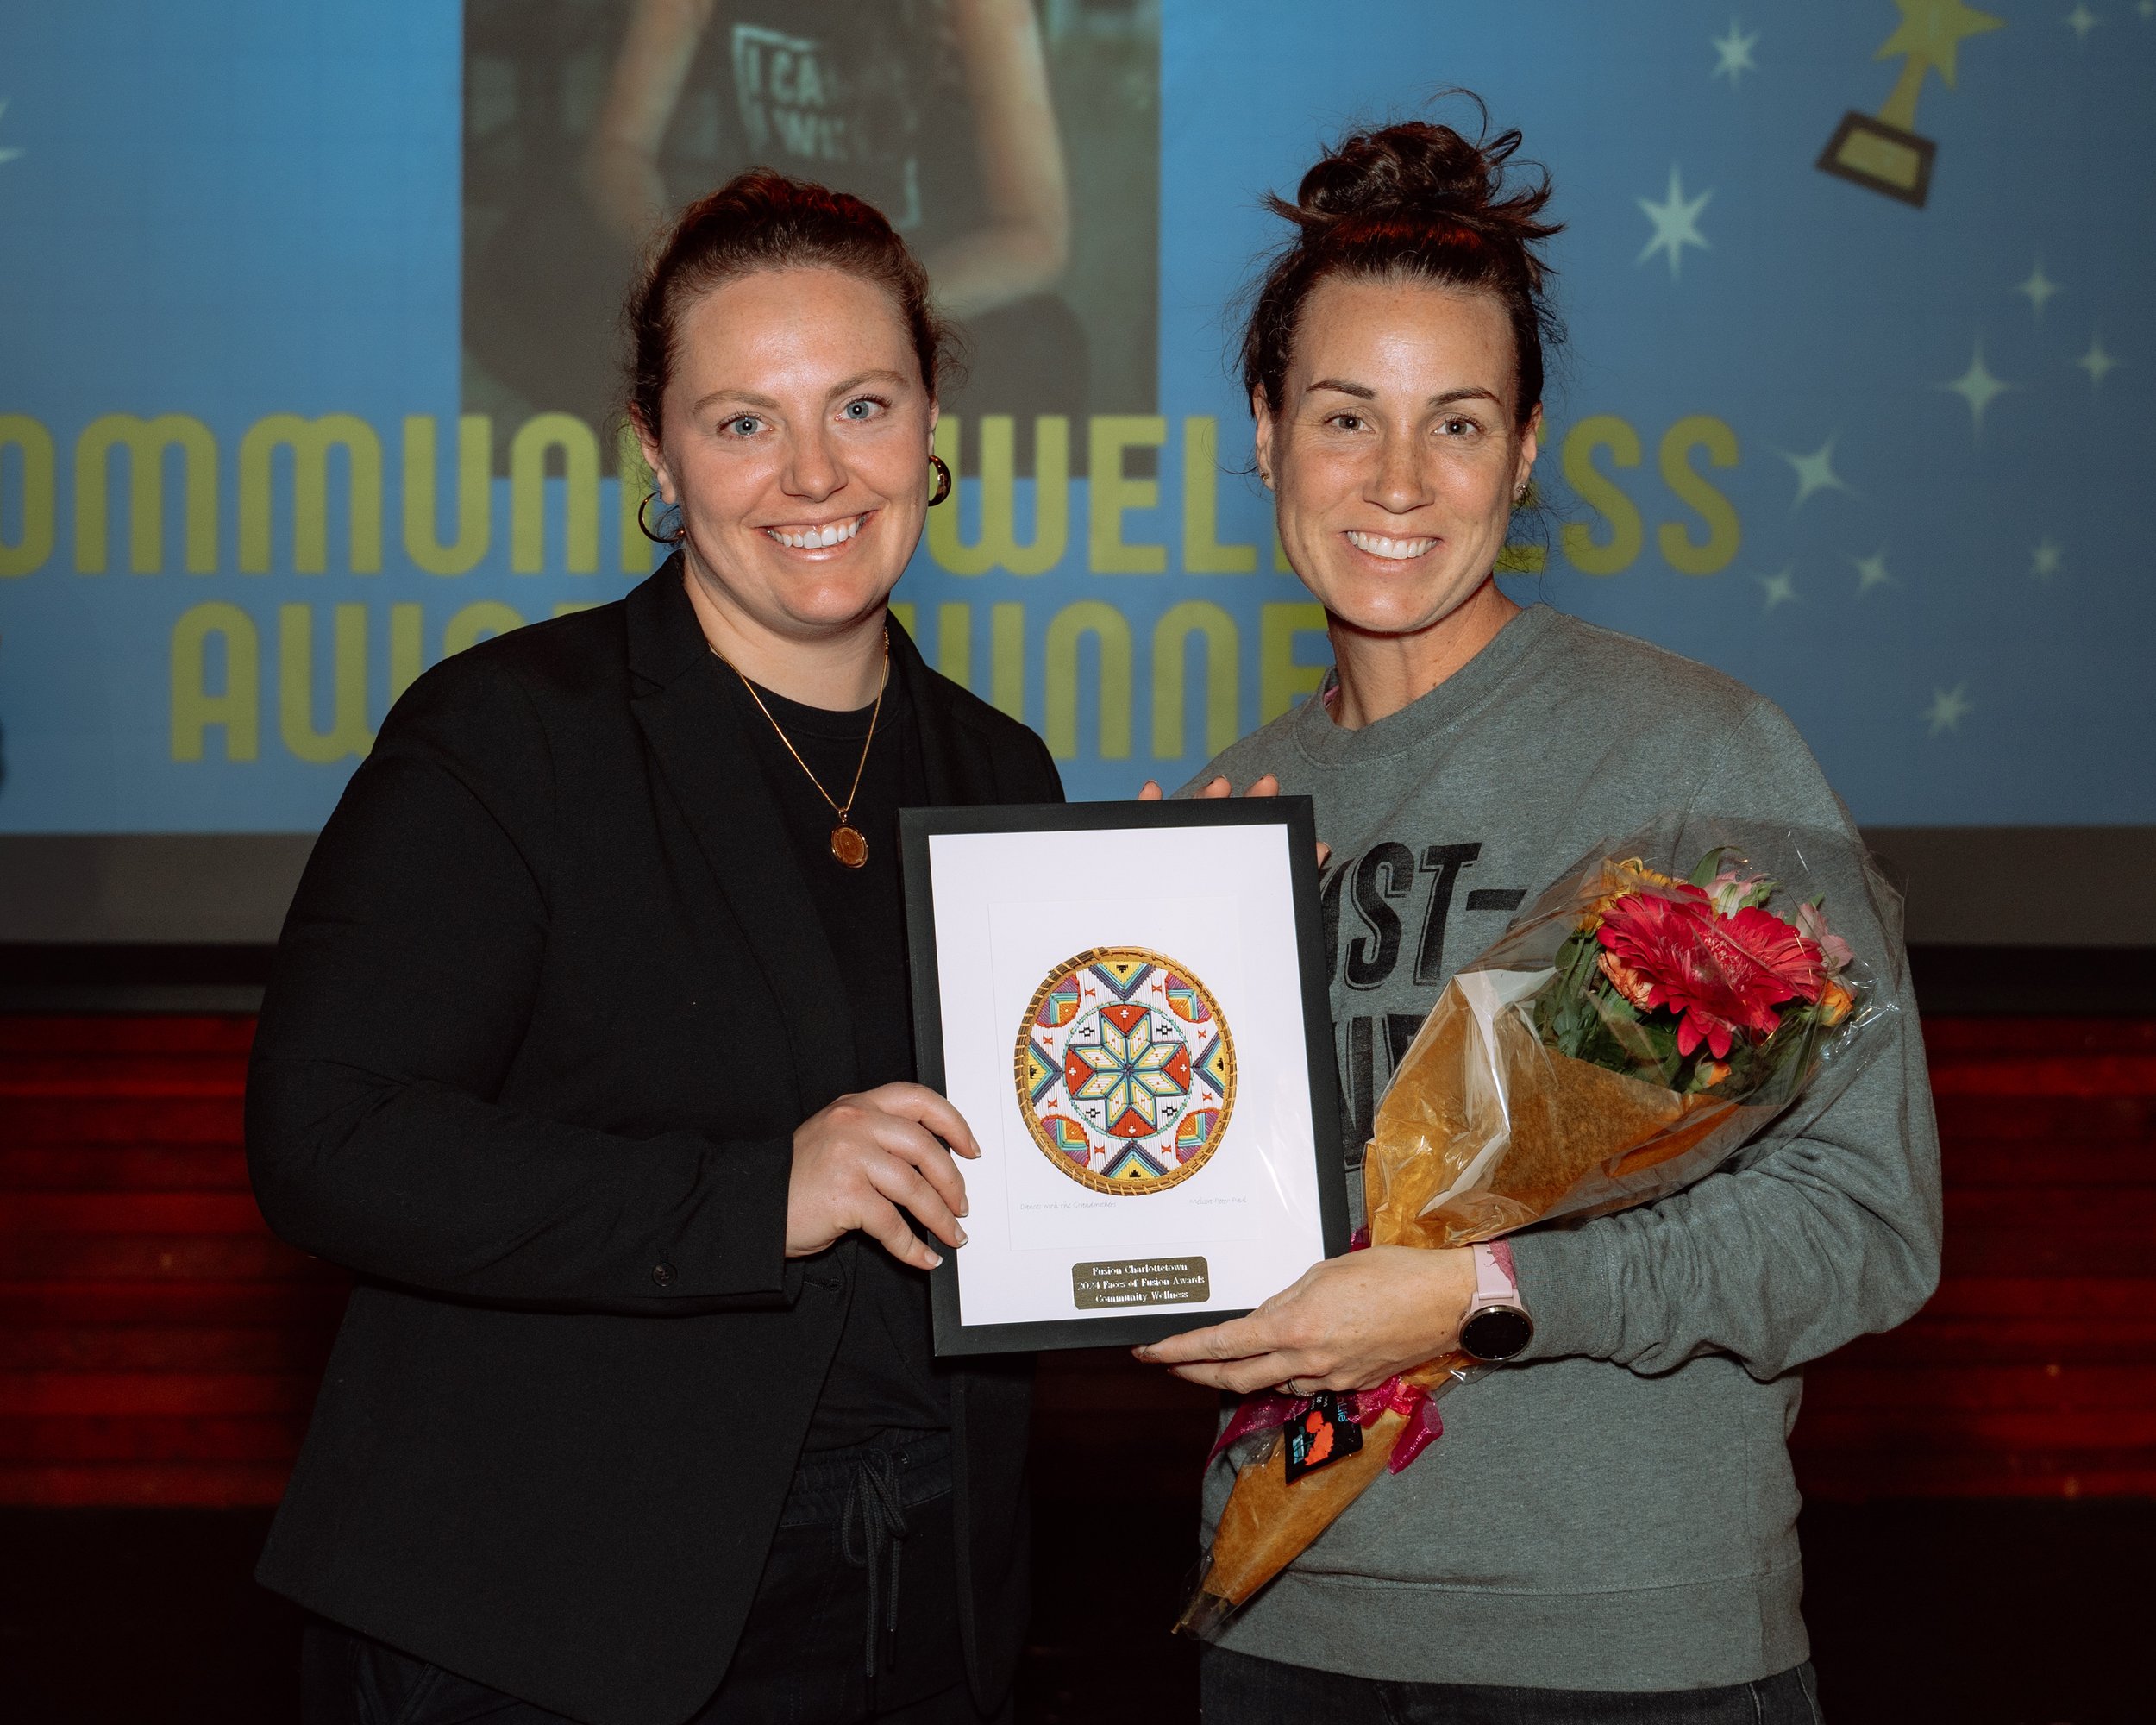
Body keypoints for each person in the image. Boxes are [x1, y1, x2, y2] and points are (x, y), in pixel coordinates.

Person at [1136, 114, 1941, 1722]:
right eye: (1345, 417)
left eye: (1458, 423)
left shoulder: (1697, 757)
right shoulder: (1229, 806)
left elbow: (1866, 1229)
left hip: (1623, 1644)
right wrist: (1137, 998)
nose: (1397, 482)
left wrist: (1489, 1297)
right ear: (1266, 434)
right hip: (1286, 1624)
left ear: (1524, 452)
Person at [248, 171, 1062, 1725]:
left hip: (920, 1605)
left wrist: (1197, 983)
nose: (814, 471)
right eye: (744, 421)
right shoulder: (510, 736)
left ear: (931, 420)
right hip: (542, 1618)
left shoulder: (1000, 770)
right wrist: (756, 1197)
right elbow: (326, 1137)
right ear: (656, 450)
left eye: (863, 405)